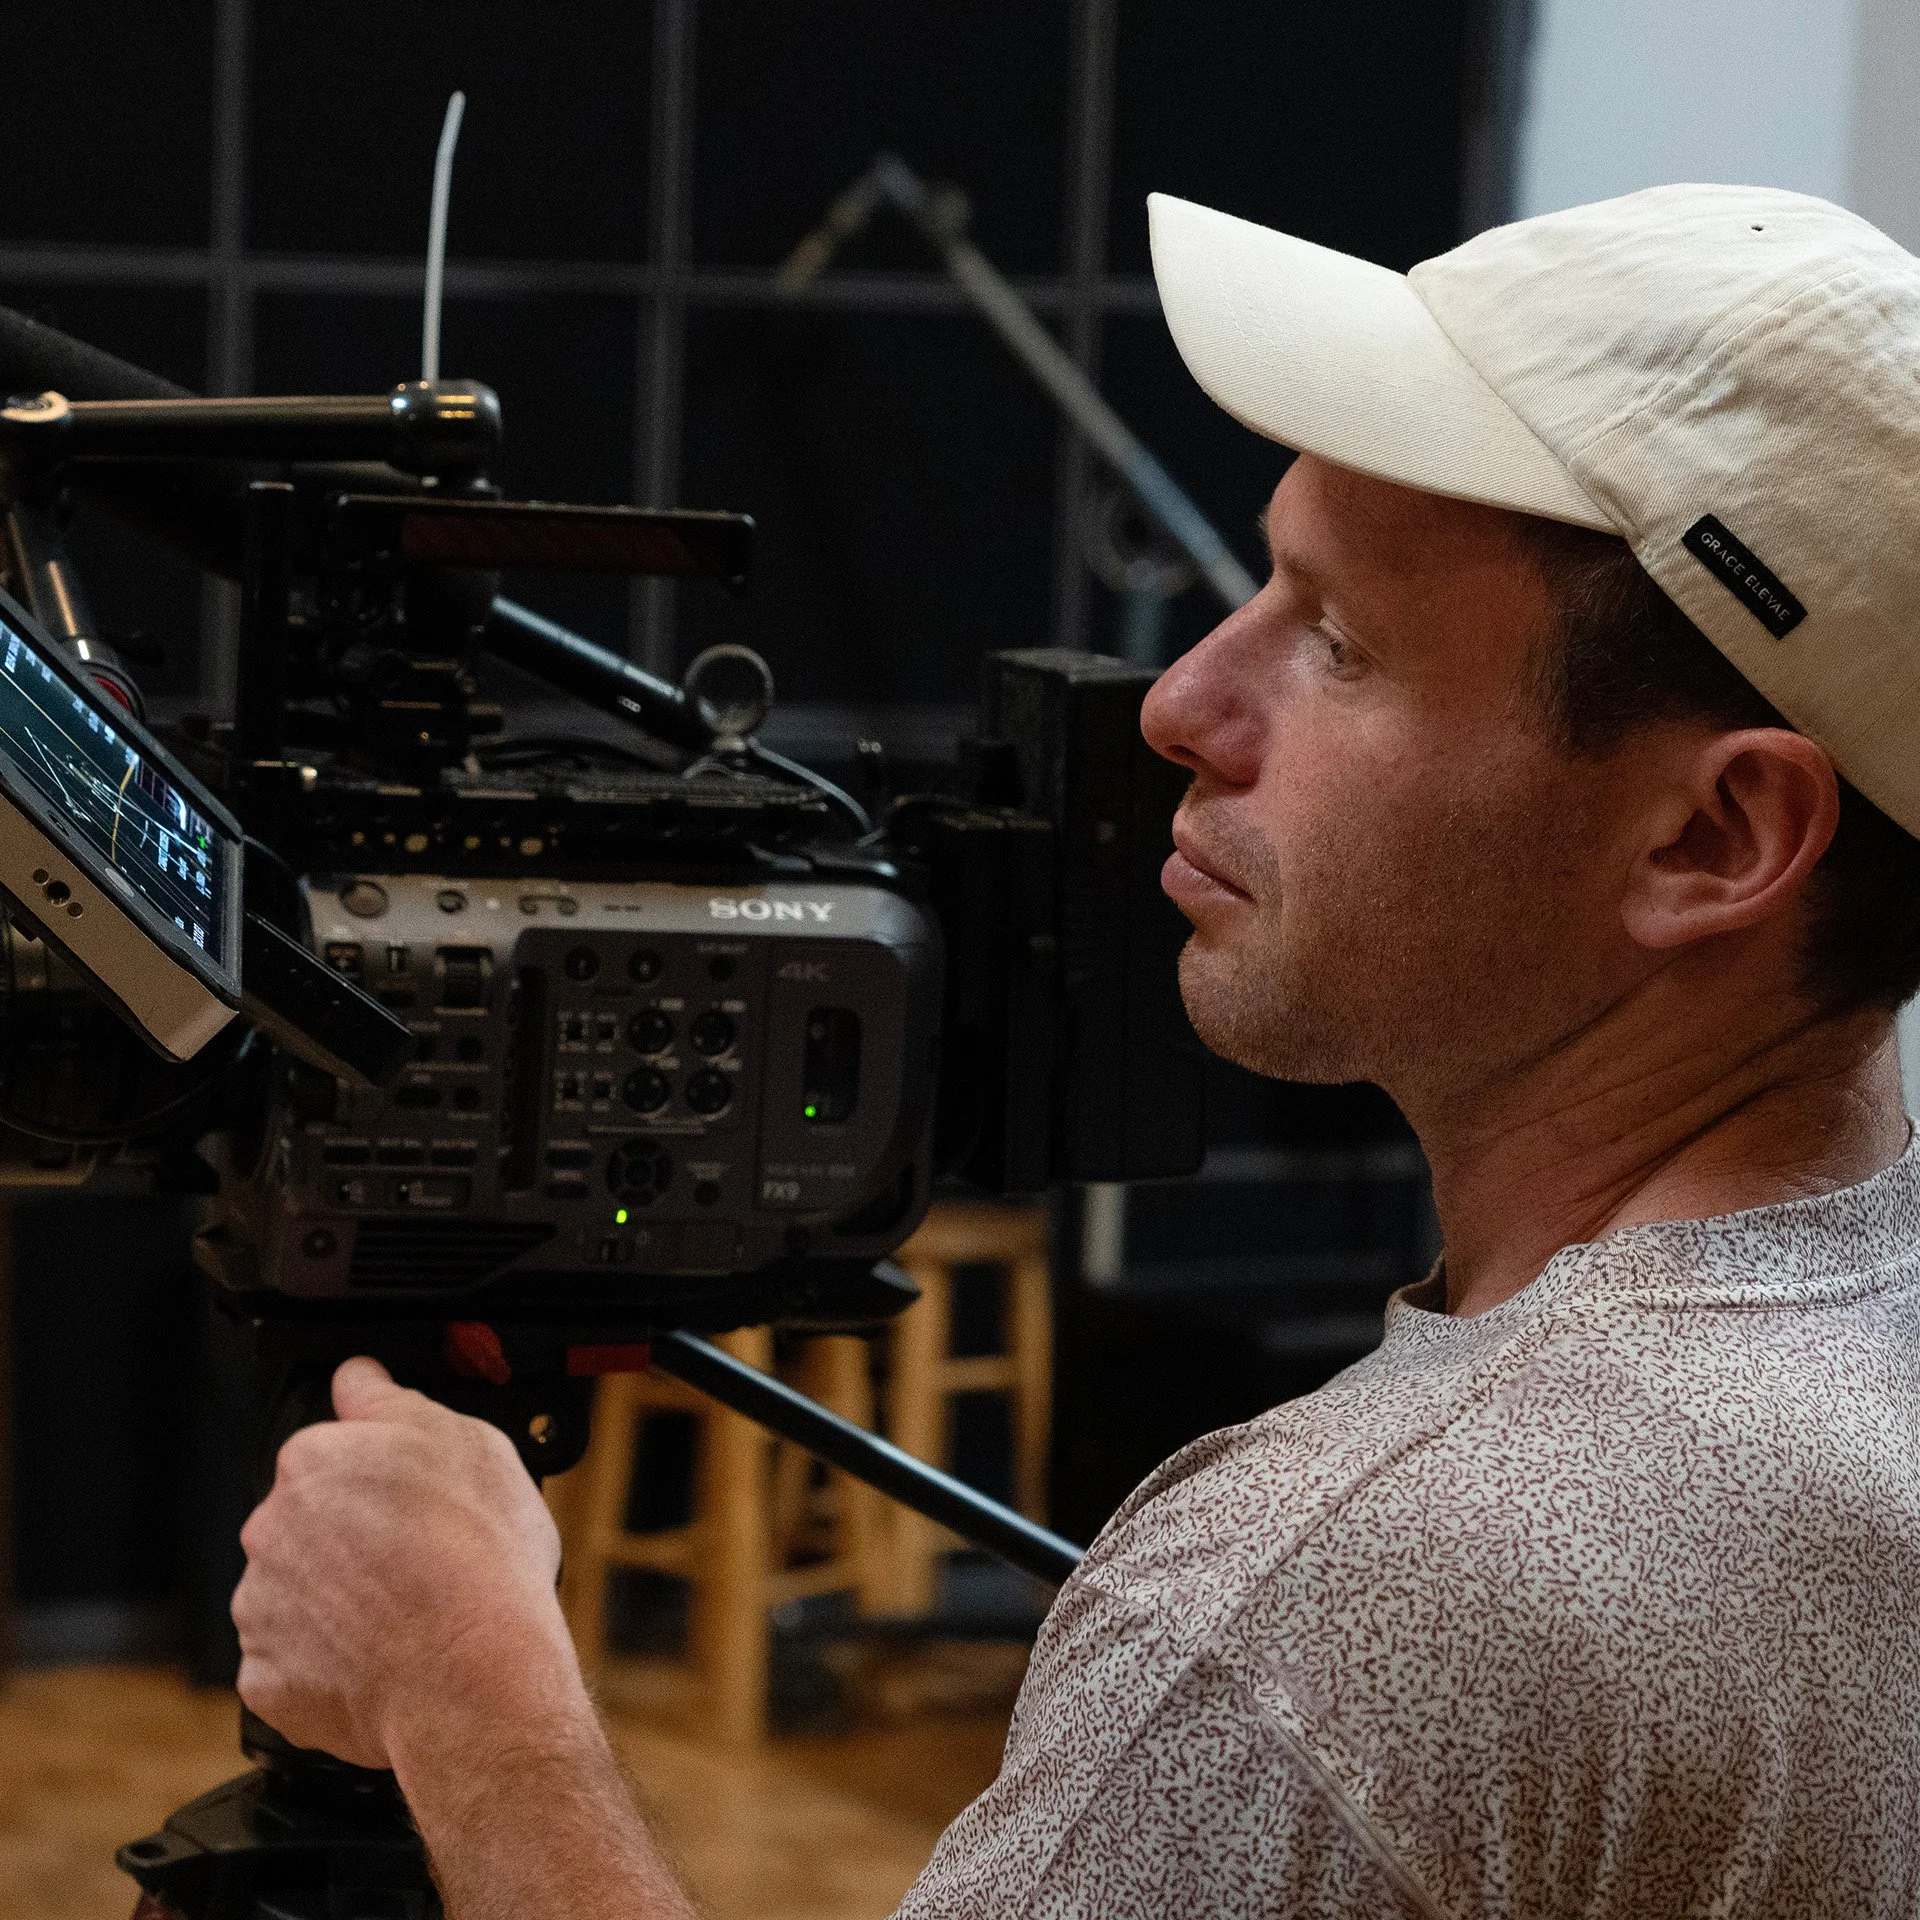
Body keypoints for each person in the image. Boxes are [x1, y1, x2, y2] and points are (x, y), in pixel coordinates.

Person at [232, 181, 1920, 1917]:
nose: (1184, 704)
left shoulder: (1367, 1595)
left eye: (1340, 642)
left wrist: (464, 1684)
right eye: (1263, 583)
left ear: (1715, 841)